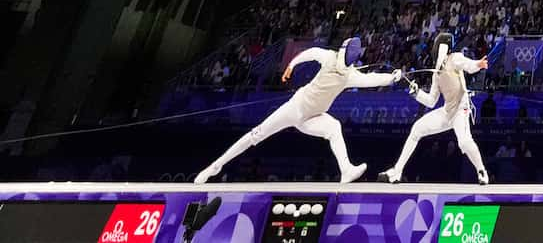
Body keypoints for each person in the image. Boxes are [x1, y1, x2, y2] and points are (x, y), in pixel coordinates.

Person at [194, 36, 401, 184]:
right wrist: (291, 65)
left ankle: (346, 170)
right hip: (296, 108)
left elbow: (371, 79)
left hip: (313, 118)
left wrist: (393, 78)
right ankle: (215, 167)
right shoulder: (328, 56)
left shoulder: (350, 75)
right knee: (256, 134)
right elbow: (308, 53)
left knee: (334, 127)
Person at [382, 33, 491, 185]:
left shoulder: (455, 58)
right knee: (417, 129)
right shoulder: (436, 74)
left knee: (464, 142)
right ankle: (397, 171)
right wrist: (416, 92)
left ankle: (482, 172)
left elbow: (468, 65)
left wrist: (478, 64)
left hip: (461, 109)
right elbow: (431, 101)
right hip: (447, 112)